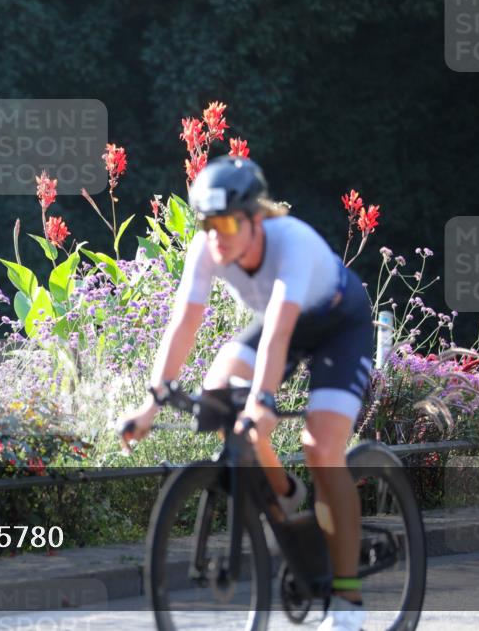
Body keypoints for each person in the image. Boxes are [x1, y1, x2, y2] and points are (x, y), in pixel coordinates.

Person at [119, 155, 373, 631]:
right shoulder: (207, 248)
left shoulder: (290, 243)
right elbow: (183, 323)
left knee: (320, 448)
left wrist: (263, 400)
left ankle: (348, 600)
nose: (218, 235)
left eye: (229, 223)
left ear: (255, 218)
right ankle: (283, 490)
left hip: (338, 326)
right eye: (208, 224)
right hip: (282, 327)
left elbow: (277, 333)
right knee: (216, 394)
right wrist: (151, 404)